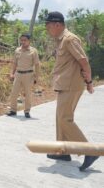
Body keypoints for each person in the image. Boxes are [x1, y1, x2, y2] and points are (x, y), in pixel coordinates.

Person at [45, 11, 99, 171]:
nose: (47, 29)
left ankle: (89, 151)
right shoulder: (60, 40)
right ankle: (62, 151)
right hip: (64, 84)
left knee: (64, 119)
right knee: (59, 118)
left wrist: (89, 82)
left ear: (57, 24)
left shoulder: (69, 39)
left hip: (71, 85)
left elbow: (83, 61)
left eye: (48, 26)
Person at [7, 33, 40, 118]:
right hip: (18, 74)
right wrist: (11, 73)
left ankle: (27, 111)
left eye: (25, 40)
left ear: (29, 41)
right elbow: (14, 63)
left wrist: (37, 77)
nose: (23, 42)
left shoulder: (33, 51)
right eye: (21, 40)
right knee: (14, 93)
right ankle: (13, 110)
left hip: (28, 75)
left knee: (28, 94)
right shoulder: (17, 50)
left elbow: (37, 64)